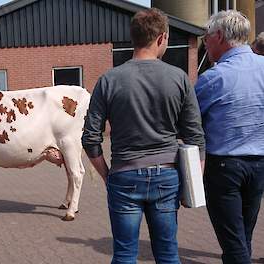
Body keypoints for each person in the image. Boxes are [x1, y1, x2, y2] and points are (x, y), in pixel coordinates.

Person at [82, 8, 205, 263]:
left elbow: (90, 138)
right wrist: (193, 183)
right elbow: (196, 138)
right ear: (161, 38)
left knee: (125, 255)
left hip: (124, 175)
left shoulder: (109, 80)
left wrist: (107, 175)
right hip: (167, 176)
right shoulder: (179, 78)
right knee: (168, 254)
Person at [195, 10, 264, 264]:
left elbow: (190, 122)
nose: (205, 43)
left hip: (224, 168)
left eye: (207, 37)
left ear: (220, 36)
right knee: (243, 236)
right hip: (258, 166)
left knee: (233, 242)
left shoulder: (213, 78)